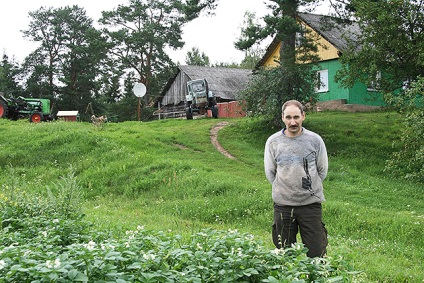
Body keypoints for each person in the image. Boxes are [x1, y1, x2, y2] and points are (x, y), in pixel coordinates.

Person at [264, 100, 328, 257]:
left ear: (303, 116)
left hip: (310, 206)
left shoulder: (315, 140)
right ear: (282, 118)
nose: (293, 122)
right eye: (288, 117)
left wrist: (308, 188)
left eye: (296, 117)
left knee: (316, 254)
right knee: (285, 254)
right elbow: (270, 172)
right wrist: (286, 189)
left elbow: (322, 170)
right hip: (283, 206)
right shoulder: (273, 142)